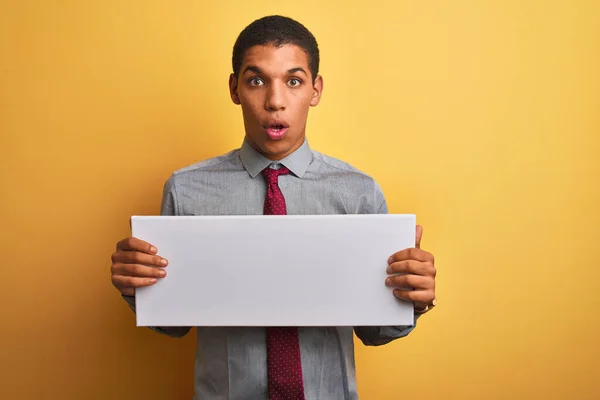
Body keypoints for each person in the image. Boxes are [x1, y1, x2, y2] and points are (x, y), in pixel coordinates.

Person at [110, 15, 436, 400]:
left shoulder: (358, 193)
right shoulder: (186, 190)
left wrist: (413, 298)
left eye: (293, 81)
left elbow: (376, 332)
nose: (275, 101)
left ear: (315, 90)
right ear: (234, 88)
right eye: (256, 80)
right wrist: (137, 286)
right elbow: (173, 325)